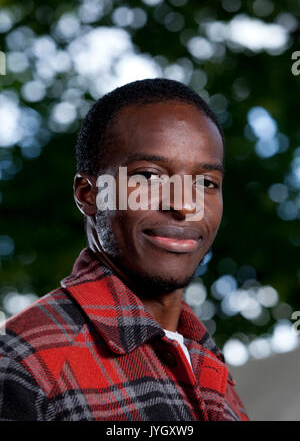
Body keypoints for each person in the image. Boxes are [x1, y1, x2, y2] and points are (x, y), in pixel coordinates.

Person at [0, 78, 249, 421]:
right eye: (148, 176)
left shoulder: (209, 362)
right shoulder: (23, 362)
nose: (184, 205)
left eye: (206, 182)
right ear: (89, 194)